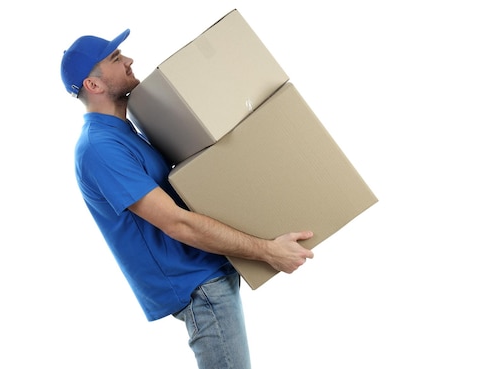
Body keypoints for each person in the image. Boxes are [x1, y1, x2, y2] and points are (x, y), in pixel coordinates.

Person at [60, 28, 314, 369]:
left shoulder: (125, 131)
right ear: (94, 85)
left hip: (207, 273)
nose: (130, 60)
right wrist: (268, 251)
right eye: (116, 59)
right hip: (196, 285)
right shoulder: (100, 148)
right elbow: (176, 223)